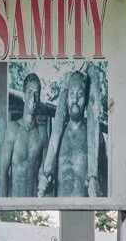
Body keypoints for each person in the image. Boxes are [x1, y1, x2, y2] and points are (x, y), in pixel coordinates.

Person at [37, 69, 100, 198]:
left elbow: (105, 181)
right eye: (71, 94)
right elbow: (48, 179)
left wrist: (98, 188)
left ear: (86, 99)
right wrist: (44, 182)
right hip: (60, 207)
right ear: (66, 99)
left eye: (80, 94)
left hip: (84, 207)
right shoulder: (56, 138)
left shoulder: (95, 138)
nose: (75, 100)